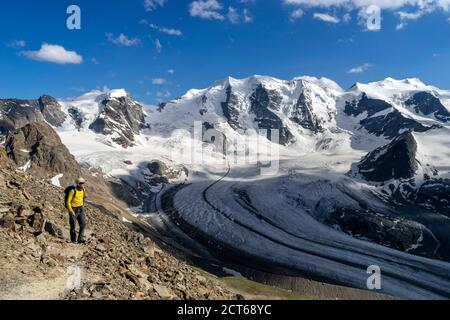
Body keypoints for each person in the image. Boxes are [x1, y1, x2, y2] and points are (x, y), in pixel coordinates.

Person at [66, 177, 88, 244]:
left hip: (81, 209)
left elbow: (83, 196)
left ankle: (80, 238)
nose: (82, 184)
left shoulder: (83, 189)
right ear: (77, 184)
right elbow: (68, 202)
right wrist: (70, 211)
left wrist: (85, 195)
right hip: (73, 209)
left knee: (83, 223)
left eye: (83, 183)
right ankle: (73, 239)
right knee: (73, 225)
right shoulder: (73, 191)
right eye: (81, 183)